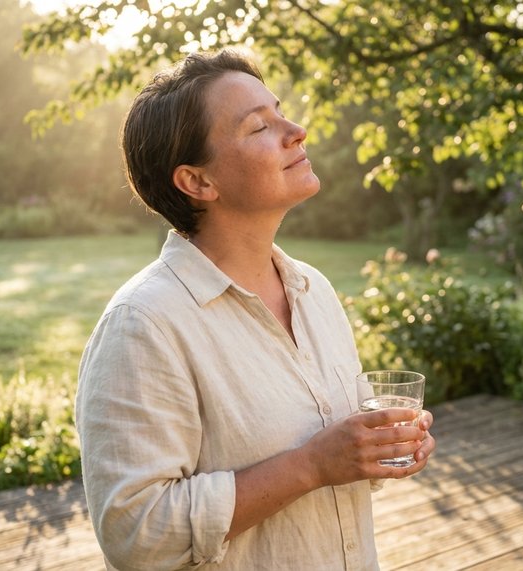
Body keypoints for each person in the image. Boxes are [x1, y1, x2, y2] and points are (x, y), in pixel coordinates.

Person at [75, 49, 437, 571]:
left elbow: (341, 449)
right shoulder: (143, 325)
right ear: (197, 182)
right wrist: (311, 466)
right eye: (258, 126)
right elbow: (135, 535)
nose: (297, 131)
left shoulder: (314, 290)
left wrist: (375, 449)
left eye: (281, 112)